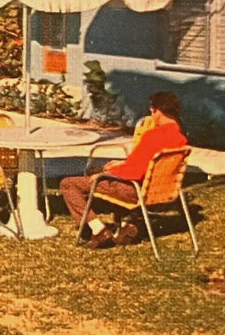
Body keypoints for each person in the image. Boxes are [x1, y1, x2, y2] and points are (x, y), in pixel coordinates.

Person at [59, 91, 187, 249]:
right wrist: (120, 164)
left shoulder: (153, 136)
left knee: (69, 184)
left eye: (151, 111)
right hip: (157, 190)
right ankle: (128, 223)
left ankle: (98, 230)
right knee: (108, 173)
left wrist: (107, 173)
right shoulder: (181, 139)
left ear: (157, 112)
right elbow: (147, 164)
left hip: (133, 190)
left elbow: (134, 172)